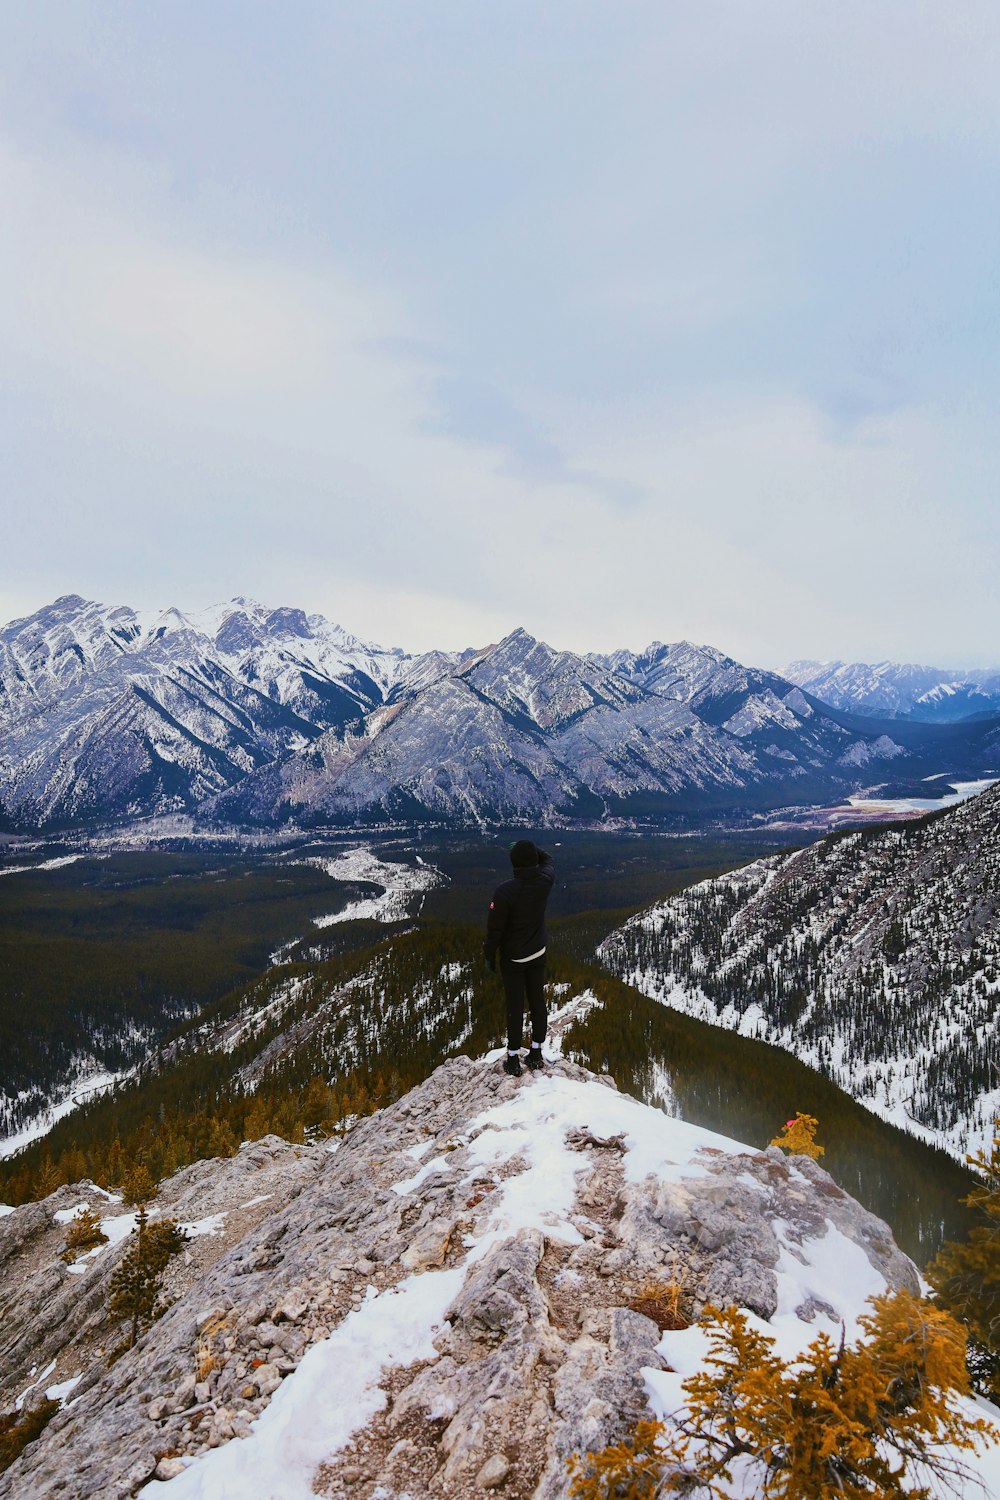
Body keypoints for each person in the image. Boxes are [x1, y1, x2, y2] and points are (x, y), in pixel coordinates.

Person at [484, 839, 555, 1077]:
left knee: (515, 1006)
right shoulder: (544, 881)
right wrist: (535, 849)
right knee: (537, 1002)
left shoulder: (504, 892)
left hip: (513, 959)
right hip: (538, 953)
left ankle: (513, 1058)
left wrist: (489, 956)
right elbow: (548, 860)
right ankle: (536, 1053)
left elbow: (495, 930)